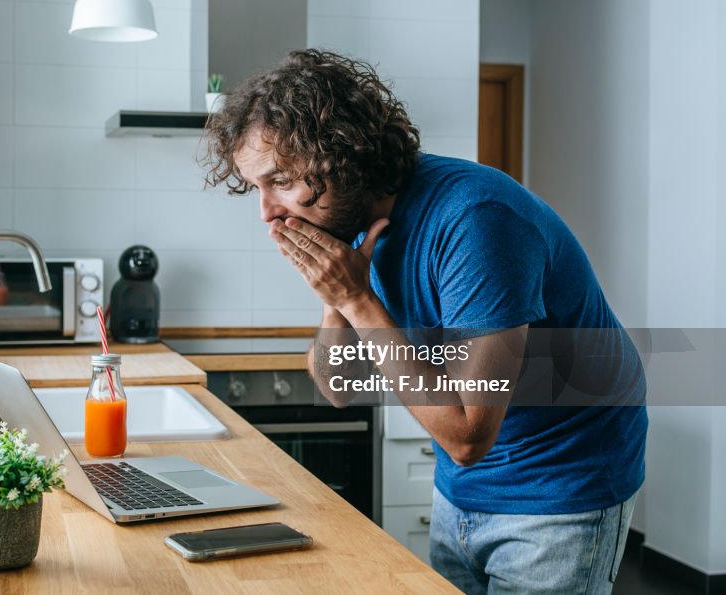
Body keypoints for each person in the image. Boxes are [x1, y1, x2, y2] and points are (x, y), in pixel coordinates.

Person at [203, 49, 646, 594]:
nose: (267, 212)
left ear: (342, 154)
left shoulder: (475, 221)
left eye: (281, 181)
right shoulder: (357, 226)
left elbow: (467, 436)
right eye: (257, 188)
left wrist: (358, 299)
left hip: (559, 489)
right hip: (461, 490)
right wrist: (334, 298)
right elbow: (339, 390)